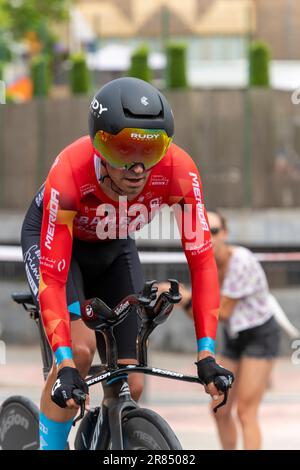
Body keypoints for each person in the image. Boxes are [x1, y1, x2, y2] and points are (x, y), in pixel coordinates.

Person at [21, 77, 233, 450]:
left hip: (114, 247)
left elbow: (202, 263)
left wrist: (207, 353)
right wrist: (66, 361)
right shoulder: (71, 172)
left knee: (130, 381)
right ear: (98, 145)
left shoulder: (179, 171)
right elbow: (53, 279)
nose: (136, 169)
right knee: (82, 353)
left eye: (150, 153)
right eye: (122, 151)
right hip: (60, 249)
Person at [167, 210, 281, 450]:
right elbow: (204, 315)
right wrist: (186, 301)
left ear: (226, 233)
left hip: (260, 335)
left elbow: (221, 312)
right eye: (203, 232)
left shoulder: (241, 261)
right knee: (219, 408)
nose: (209, 237)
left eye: (215, 231)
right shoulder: (205, 267)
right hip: (235, 336)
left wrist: (187, 300)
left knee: (246, 412)